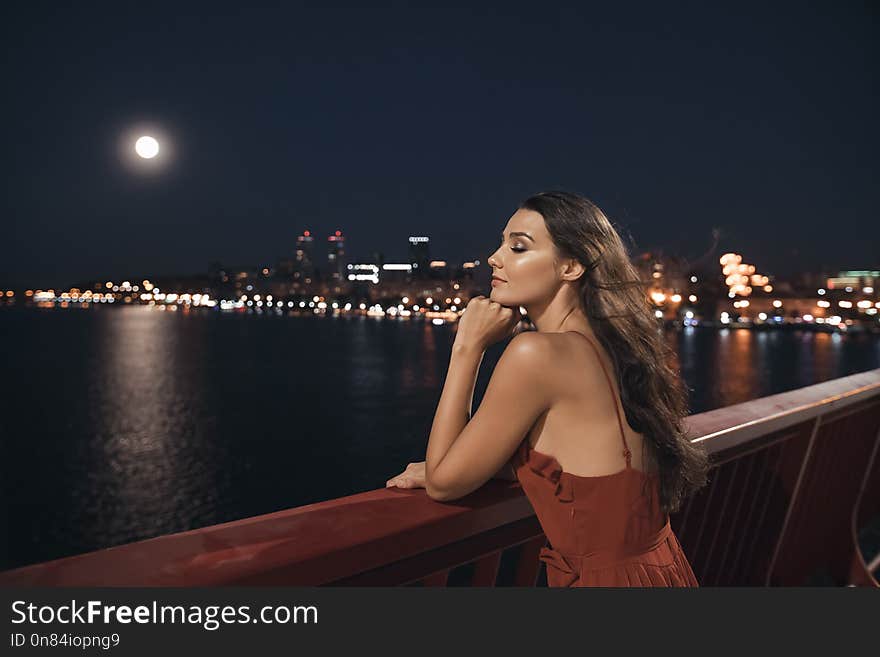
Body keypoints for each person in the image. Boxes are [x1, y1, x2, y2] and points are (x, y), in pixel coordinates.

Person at [386, 190, 708, 587]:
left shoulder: (536, 354)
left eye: (518, 247)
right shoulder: (617, 346)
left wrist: (468, 346)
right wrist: (493, 468)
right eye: (502, 242)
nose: (494, 257)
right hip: (660, 570)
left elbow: (442, 483)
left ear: (572, 266)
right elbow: (580, 462)